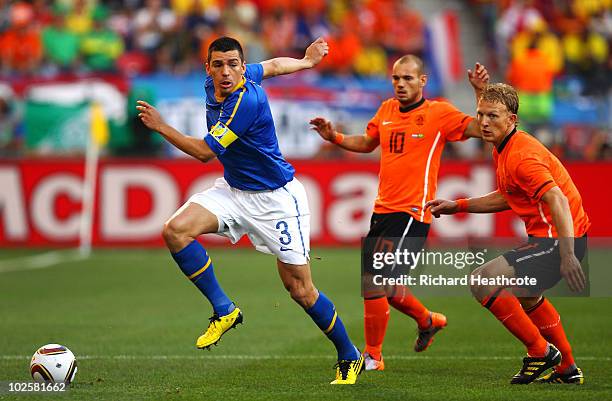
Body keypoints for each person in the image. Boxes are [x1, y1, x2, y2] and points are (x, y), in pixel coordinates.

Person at [136, 37, 364, 385]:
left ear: (242, 68)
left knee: (301, 290)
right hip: (234, 190)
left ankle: (349, 355)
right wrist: (304, 62)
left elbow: (203, 153)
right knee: (175, 230)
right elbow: (272, 66)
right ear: (208, 67)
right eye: (218, 65)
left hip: (277, 200)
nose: (226, 72)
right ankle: (224, 310)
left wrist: (161, 126)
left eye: (233, 65)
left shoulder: (247, 100)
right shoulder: (220, 82)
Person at [310, 55, 489, 371]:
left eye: (408, 78)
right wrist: (334, 136)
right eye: (396, 79)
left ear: (423, 81)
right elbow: (367, 143)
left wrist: (480, 92)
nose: (401, 84)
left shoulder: (439, 113)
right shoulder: (386, 110)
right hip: (382, 210)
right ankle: (427, 320)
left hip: (412, 213)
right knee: (387, 288)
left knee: (375, 280)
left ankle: (373, 357)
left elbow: (480, 128)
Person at [426, 83, 589, 384]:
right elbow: (508, 195)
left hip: (557, 240)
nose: (485, 123)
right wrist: (458, 205)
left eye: (493, 116)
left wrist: (567, 254)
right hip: (555, 236)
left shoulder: (521, 157)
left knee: (482, 280)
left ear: (512, 120)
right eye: (481, 115)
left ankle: (541, 352)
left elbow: (557, 199)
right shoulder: (506, 146)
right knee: (528, 297)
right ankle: (567, 368)